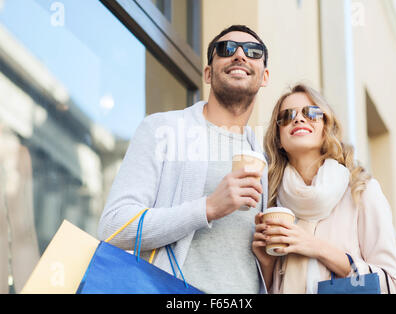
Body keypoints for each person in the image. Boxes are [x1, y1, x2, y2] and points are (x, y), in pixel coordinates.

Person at [98, 25, 270, 294]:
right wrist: (208, 208)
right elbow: (114, 226)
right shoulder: (162, 130)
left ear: (264, 77)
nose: (239, 55)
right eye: (226, 49)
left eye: (253, 51)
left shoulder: (265, 160)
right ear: (208, 73)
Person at [252, 83, 396, 294]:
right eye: (287, 116)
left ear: (326, 128)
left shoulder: (361, 191)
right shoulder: (271, 202)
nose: (299, 119)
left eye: (312, 113)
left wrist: (316, 247)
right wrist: (267, 264)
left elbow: (390, 285)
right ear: (278, 139)